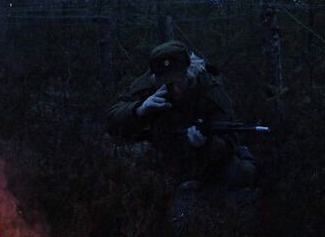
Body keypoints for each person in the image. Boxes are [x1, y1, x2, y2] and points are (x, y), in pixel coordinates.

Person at [107, 40, 256, 190]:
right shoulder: (145, 86)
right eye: (167, 84)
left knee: (242, 174)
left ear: (189, 71)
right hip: (161, 152)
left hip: (200, 157)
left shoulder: (209, 91)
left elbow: (231, 137)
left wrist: (206, 143)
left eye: (179, 82)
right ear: (155, 78)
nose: (175, 90)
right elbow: (111, 119)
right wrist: (139, 110)